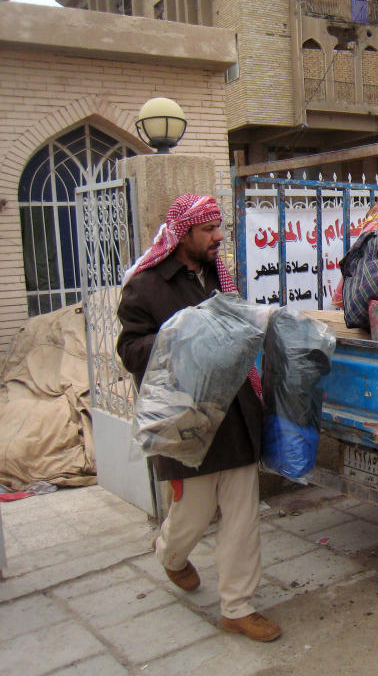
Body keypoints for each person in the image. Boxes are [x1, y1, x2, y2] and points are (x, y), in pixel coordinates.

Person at [116, 193, 281, 642]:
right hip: (187, 423)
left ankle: (238, 607)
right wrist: (181, 336)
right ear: (183, 233)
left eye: (219, 228)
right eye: (208, 230)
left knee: (243, 516)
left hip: (237, 416)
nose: (218, 237)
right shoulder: (146, 286)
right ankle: (170, 555)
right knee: (193, 513)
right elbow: (130, 350)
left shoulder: (216, 276)